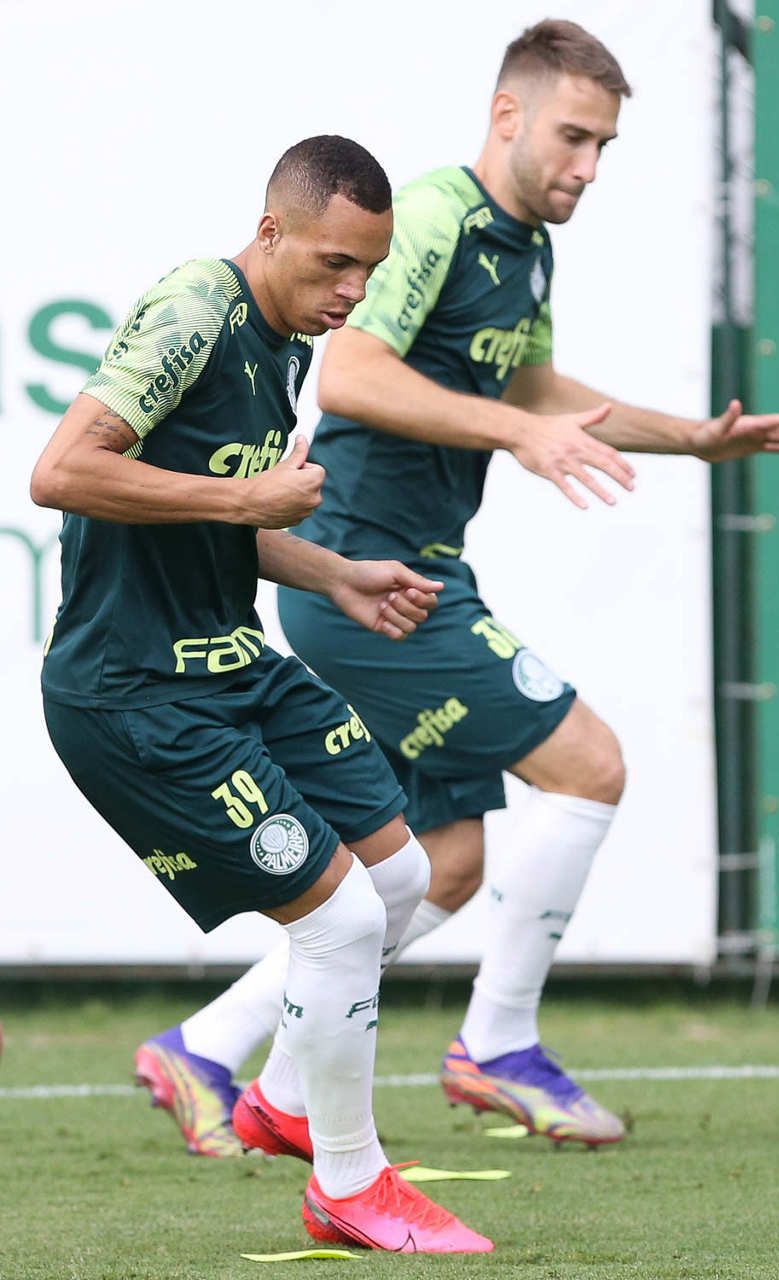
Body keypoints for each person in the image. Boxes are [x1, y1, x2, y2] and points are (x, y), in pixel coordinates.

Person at [136, 20, 779, 1159]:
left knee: (443, 866)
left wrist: (692, 437)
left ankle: (208, 1045)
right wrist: (515, 433)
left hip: (416, 573)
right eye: (572, 137)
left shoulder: (525, 248)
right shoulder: (434, 216)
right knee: (588, 764)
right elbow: (353, 375)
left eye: (603, 146)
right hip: (364, 575)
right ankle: (496, 1044)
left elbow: (536, 389)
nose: (587, 166)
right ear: (507, 116)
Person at [31, 135, 494, 1255]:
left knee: (401, 876)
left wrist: (335, 570)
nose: (353, 292)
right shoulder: (198, 306)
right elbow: (62, 472)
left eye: (370, 272)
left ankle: (285, 1100)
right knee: (339, 918)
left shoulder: (284, 340)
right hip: (133, 691)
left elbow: (222, 514)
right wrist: (248, 504)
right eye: (336, 264)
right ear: (272, 229)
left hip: (230, 663)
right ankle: (348, 1180)